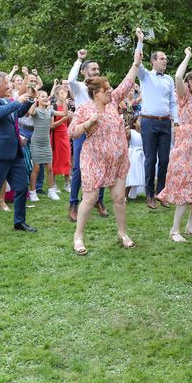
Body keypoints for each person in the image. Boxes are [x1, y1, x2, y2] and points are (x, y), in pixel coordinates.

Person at [68, 50, 142, 255]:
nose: (111, 92)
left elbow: (127, 82)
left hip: (117, 159)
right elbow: (71, 132)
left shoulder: (113, 103)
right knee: (90, 199)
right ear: (96, 93)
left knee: (119, 197)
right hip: (94, 160)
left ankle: (122, 233)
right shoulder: (84, 109)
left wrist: (136, 64)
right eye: (106, 89)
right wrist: (87, 123)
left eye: (110, 88)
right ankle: (78, 236)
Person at [157, 47, 192, 242]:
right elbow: (178, 77)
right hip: (186, 147)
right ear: (191, 83)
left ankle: (190, 226)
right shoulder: (184, 97)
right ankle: (174, 230)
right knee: (186, 185)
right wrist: (188, 56)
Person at [0, 71, 37, 239]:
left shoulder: (6, 101)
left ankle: (19, 222)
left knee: (21, 187)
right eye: (7, 83)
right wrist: (16, 102)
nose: (9, 86)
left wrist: (30, 100)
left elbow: (17, 113)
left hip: (14, 153)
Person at [135, 28, 179, 209]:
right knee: (150, 159)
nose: (165, 61)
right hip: (148, 121)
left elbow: (173, 102)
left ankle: (162, 193)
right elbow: (137, 60)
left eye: (166, 59)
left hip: (165, 122)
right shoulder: (145, 76)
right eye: (162, 59)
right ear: (153, 61)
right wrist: (140, 41)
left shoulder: (169, 79)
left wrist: (176, 121)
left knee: (165, 159)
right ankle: (150, 194)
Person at [67, 49, 109, 221]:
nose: (97, 72)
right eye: (93, 69)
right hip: (83, 130)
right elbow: (70, 79)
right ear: (84, 72)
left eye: (98, 69)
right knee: (78, 167)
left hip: (99, 131)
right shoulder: (79, 88)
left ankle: (99, 201)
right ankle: (73, 204)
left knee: (102, 166)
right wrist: (79, 60)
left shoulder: (102, 89)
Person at [27, 90, 67, 201]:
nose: (45, 98)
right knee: (36, 168)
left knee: (49, 168)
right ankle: (32, 192)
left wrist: (64, 101)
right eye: (42, 96)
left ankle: (51, 191)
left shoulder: (50, 111)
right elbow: (30, 112)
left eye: (46, 96)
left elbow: (64, 114)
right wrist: (35, 100)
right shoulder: (36, 110)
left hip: (46, 143)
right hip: (36, 143)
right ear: (38, 98)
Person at [51, 84, 73, 193]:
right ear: (56, 95)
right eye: (61, 93)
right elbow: (52, 125)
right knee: (55, 159)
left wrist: (70, 118)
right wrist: (65, 118)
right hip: (55, 136)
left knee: (67, 159)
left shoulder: (67, 106)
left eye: (65, 93)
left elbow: (68, 123)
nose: (64, 95)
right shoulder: (53, 107)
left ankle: (67, 183)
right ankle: (54, 184)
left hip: (65, 135)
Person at [125, 116, 146, 200]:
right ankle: (125, 195)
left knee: (141, 174)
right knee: (132, 174)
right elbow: (126, 140)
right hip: (133, 155)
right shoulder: (131, 132)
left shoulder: (144, 133)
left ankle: (151, 195)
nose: (141, 122)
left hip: (142, 155)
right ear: (134, 123)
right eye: (139, 121)